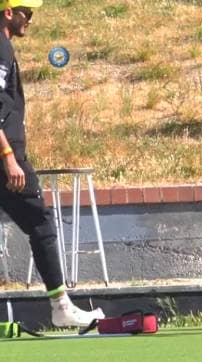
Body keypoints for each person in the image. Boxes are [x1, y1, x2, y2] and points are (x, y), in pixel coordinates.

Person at [0, 0, 105, 326]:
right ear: (8, 12)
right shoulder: (0, 47)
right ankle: (61, 307)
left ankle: (61, 306)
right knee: (41, 223)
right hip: (6, 159)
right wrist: (8, 158)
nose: (30, 19)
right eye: (26, 13)